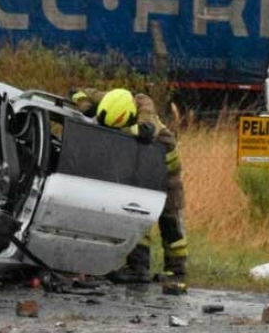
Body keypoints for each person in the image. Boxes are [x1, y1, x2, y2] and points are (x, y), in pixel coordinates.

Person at [72, 87, 188, 283]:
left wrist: (120, 130)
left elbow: (146, 131)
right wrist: (87, 108)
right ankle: (138, 268)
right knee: (137, 215)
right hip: (141, 168)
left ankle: (176, 270)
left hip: (166, 170)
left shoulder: (145, 107)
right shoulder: (108, 100)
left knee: (170, 220)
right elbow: (76, 92)